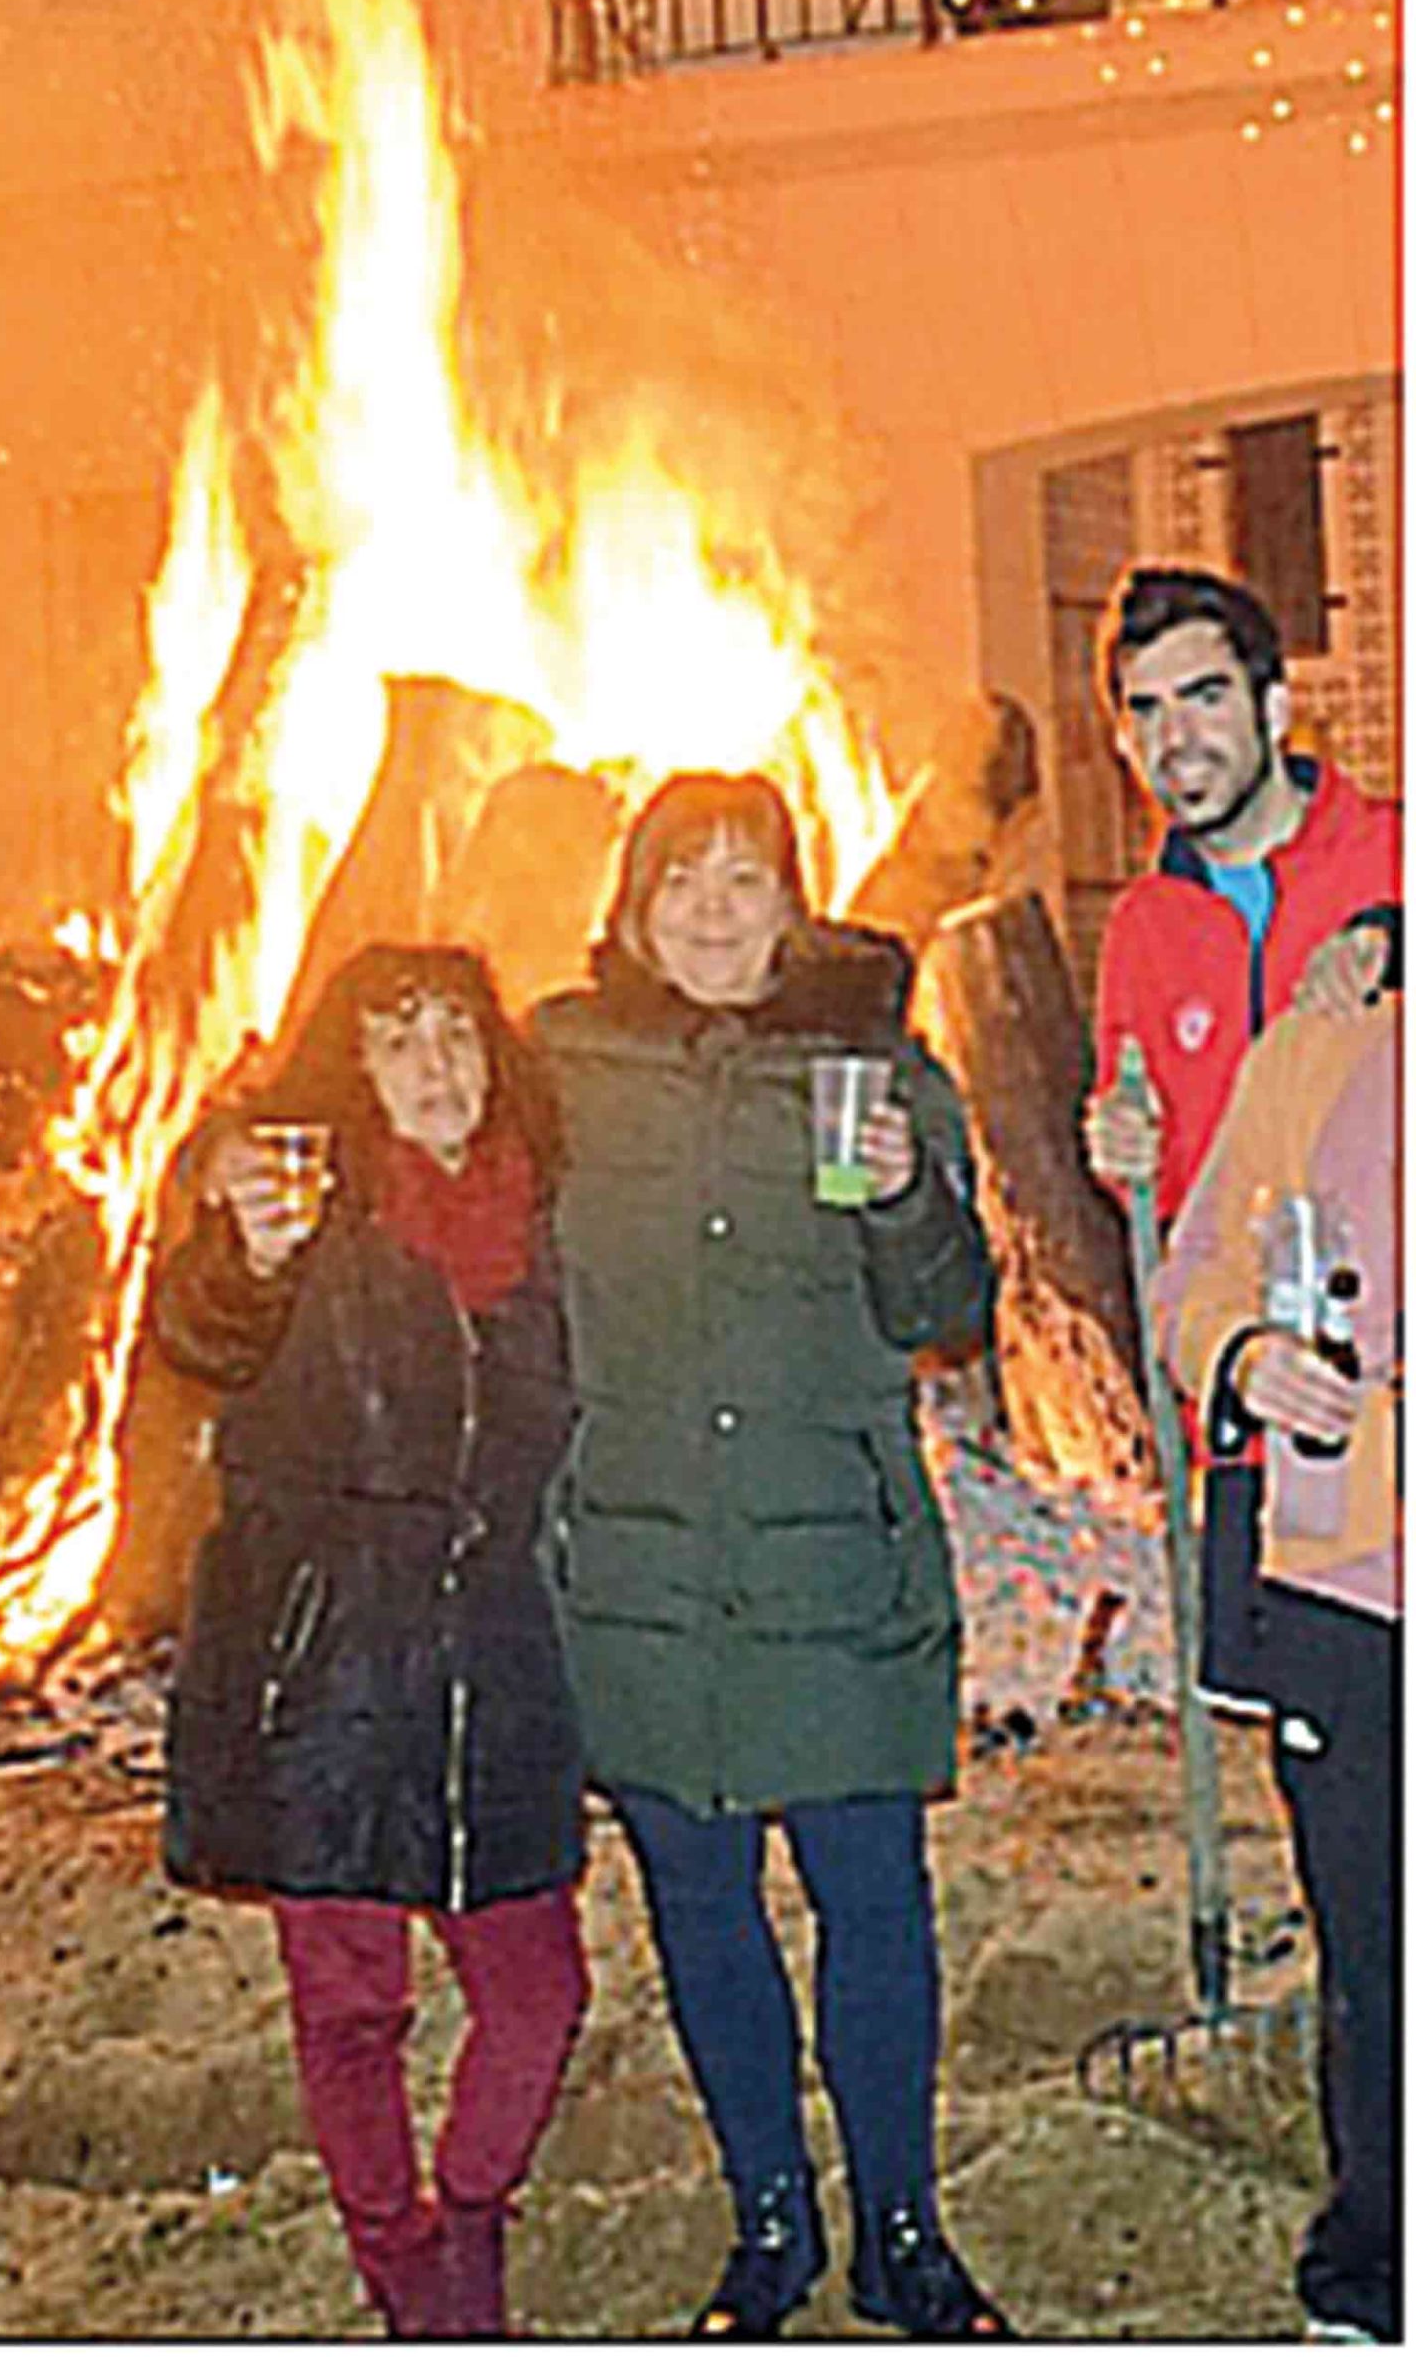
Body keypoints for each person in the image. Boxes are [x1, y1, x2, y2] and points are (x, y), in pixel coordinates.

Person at [530, 772, 1012, 2341]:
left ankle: (896, 2230)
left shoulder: (872, 1065)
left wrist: (896, 1197)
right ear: (630, 905)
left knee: (873, 1904)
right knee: (703, 1911)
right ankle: (768, 2225)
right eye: (684, 881)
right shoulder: (564, 1075)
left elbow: (944, 1303)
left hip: (834, 1569)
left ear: (792, 903)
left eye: (746, 880)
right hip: (643, 1577)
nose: (715, 912)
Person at [153, 943, 588, 2340]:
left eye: (454, 1031)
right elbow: (200, 1326)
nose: (435, 1066)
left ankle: (467, 2214)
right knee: (351, 2010)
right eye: (395, 1040)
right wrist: (240, 1248)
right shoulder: (300, 1215)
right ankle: (402, 2267)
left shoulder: (546, 1209)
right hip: (323, 1668)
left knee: (537, 1993)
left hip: (497, 1660)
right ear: (350, 1073)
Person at [1152, 944, 1400, 2344]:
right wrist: (1244, 1354)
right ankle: (1369, 2274)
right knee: (1370, 1953)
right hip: (1337, 1581)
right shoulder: (1313, 1052)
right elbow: (1191, 1282)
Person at [1080, 565, 1397, 1229]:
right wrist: (1126, 1155)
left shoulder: (1388, 852)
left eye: (1206, 698)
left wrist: (1392, 941)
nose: (1176, 740)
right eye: (1147, 710)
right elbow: (1164, 1189)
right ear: (1121, 744)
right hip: (1235, 1312)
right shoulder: (1141, 928)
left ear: (1274, 711)